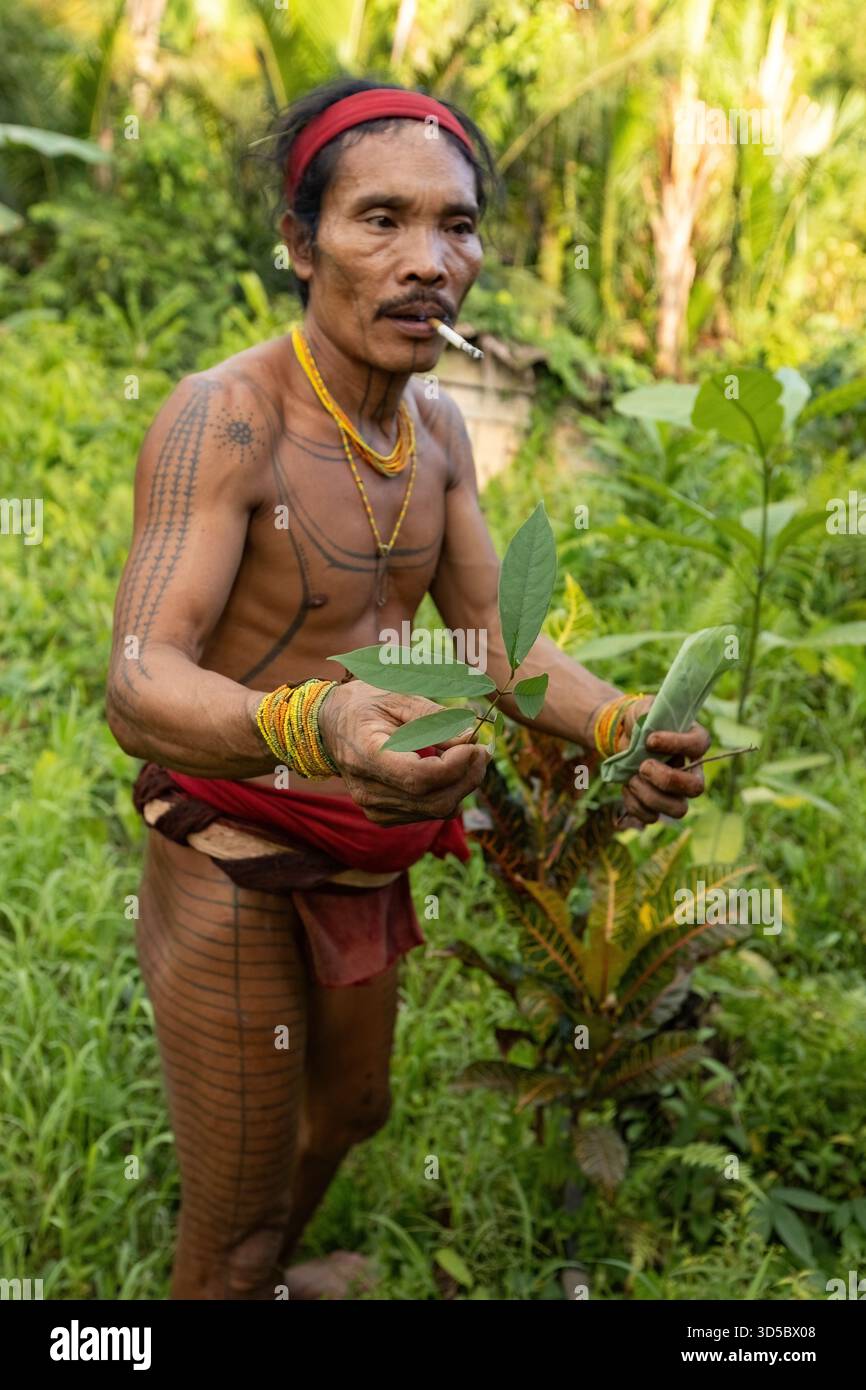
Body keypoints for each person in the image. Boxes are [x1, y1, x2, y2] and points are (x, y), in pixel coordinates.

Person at [105, 77, 710, 1300]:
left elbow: (491, 640)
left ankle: (267, 1275)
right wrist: (314, 720)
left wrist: (617, 725)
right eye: (379, 220)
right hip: (238, 842)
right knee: (229, 1220)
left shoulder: (434, 428)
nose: (427, 260)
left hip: (372, 843)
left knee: (356, 1110)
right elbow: (137, 682)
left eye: (457, 225)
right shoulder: (225, 420)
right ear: (296, 241)